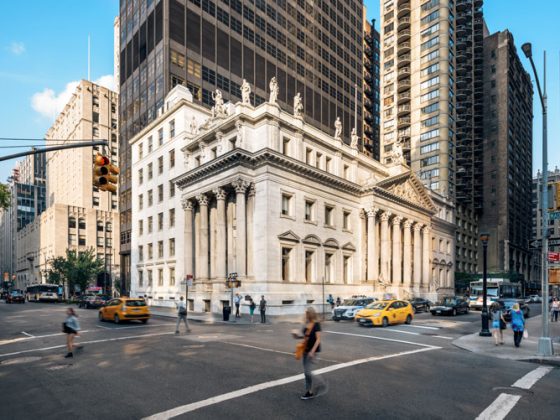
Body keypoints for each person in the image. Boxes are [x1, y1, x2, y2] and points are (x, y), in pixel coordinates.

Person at [293, 307, 325, 400]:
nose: (305, 315)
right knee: (307, 372)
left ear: (310, 314)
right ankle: (309, 391)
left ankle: (318, 384)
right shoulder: (306, 324)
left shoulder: (316, 324)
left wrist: (312, 351)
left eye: (307, 314)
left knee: (307, 371)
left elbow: (318, 339)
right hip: (305, 350)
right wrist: (296, 336)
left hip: (313, 352)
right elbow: (304, 337)